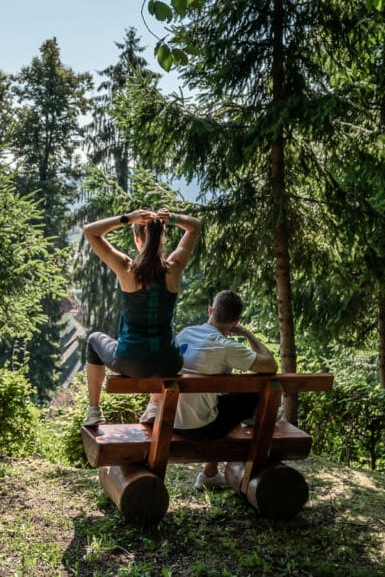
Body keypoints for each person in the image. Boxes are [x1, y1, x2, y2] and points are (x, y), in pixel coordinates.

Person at [82, 208, 201, 427]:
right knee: (167, 346)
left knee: (93, 340)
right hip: (169, 363)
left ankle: (93, 411)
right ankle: (154, 405)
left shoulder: (127, 269)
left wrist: (127, 218)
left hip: (131, 362)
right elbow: (195, 226)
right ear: (162, 237)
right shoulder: (174, 268)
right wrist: (173, 218)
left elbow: (90, 232)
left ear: (137, 238)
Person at [171, 290, 278, 491]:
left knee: (218, 403)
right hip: (201, 428)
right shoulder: (225, 346)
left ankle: (210, 474)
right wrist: (247, 334)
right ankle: (254, 418)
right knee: (254, 392)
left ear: (210, 310)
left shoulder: (185, 333)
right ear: (236, 321)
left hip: (171, 420)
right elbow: (271, 366)